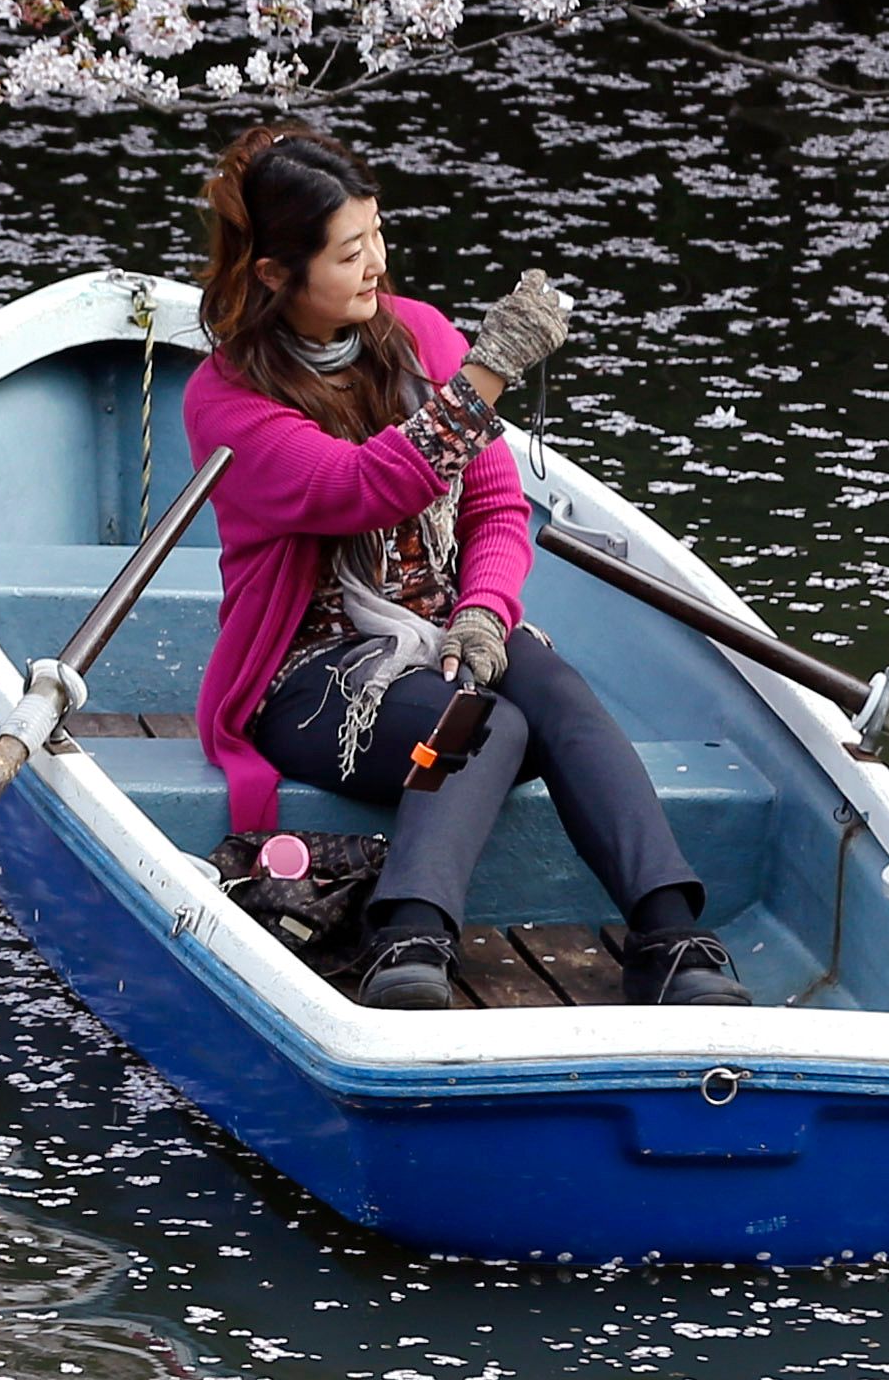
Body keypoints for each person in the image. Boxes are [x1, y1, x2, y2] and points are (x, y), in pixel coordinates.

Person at [181, 121, 746, 1012]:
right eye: (350, 252)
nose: (376, 266)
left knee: (551, 687)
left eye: (377, 238)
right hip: (312, 675)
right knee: (485, 723)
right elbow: (362, 486)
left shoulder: (419, 335)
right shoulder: (227, 399)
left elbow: (493, 505)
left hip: (443, 636)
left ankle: (670, 933)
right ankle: (408, 934)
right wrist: (487, 377)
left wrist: (483, 611)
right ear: (274, 275)